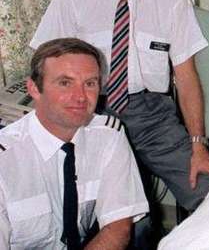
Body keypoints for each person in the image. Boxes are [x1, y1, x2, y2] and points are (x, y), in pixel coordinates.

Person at [30, 0, 209, 214]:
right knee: (123, 216)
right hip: (89, 111)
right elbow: (44, 71)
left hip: (153, 117)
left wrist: (198, 145)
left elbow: (186, 79)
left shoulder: (174, 1)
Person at [0, 38, 148, 249]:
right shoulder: (5, 159)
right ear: (34, 89)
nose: (80, 97)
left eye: (89, 84)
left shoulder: (108, 136)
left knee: (141, 227)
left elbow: (118, 228)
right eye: (65, 83)